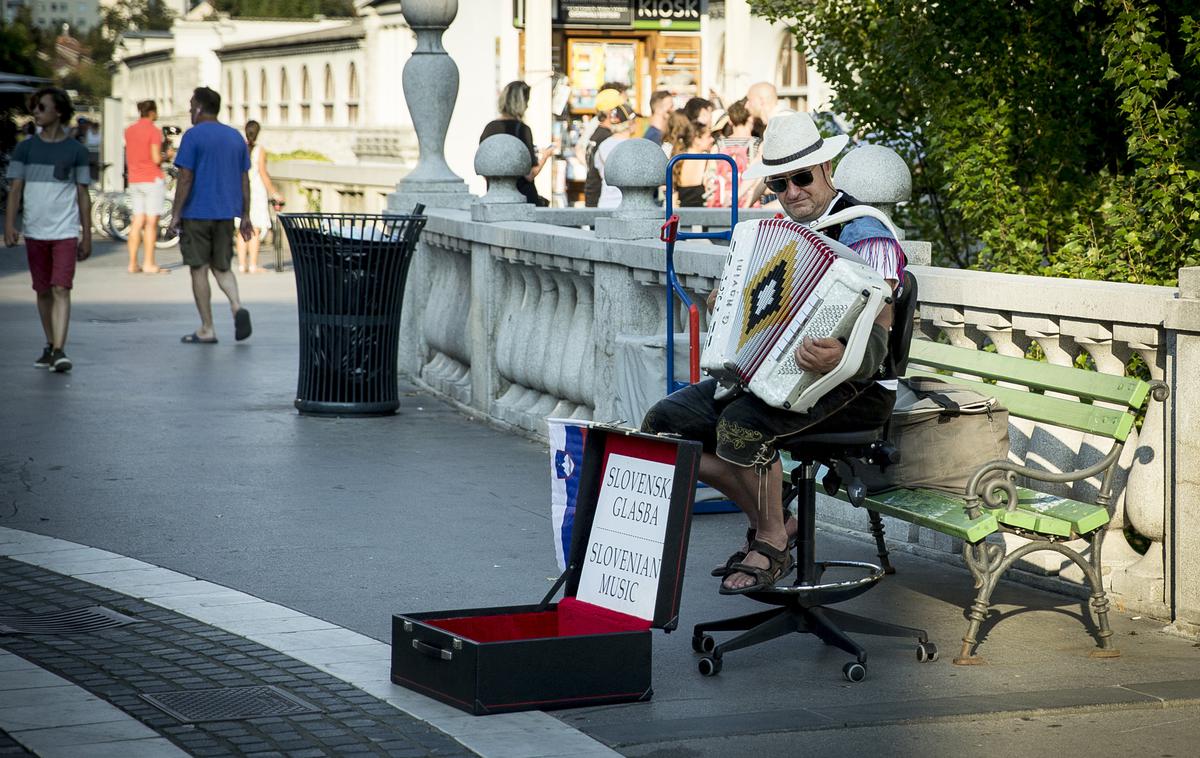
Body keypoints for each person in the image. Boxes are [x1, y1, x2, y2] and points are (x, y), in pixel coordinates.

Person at [640, 112, 905, 594]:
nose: (791, 193)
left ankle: (771, 542)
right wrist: (727, 308)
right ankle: (776, 515)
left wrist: (840, 353)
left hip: (854, 384)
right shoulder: (776, 235)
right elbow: (756, 309)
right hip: (775, 377)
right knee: (664, 424)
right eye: (779, 184)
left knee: (742, 426)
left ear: (828, 168)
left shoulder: (866, 232)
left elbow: (881, 328)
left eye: (801, 178)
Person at [3, 87, 92, 373]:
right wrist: (9, 226)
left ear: (59, 112)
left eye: (42, 107)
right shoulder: (25, 148)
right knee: (42, 290)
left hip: (65, 230)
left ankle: (59, 350)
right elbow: (15, 189)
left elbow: (83, 194)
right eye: (35, 108)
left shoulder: (76, 150)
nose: (36, 113)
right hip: (35, 231)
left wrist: (86, 235)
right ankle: (50, 343)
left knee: (61, 288)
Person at [168, 87, 253, 345]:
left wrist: (175, 214)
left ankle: (207, 328)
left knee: (199, 269)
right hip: (226, 213)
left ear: (199, 108)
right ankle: (237, 306)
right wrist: (246, 214)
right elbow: (244, 179)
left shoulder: (193, 137)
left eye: (191, 104)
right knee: (222, 266)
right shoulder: (235, 137)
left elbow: (185, 178)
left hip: (197, 212)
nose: (189, 110)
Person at [480, 81, 556, 207]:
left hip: (495, 200)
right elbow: (529, 174)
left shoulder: (489, 128)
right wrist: (546, 156)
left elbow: (483, 166)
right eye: (527, 102)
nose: (528, 106)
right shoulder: (522, 129)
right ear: (521, 103)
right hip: (523, 198)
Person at [124, 99, 168, 274]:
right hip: (151, 179)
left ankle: (132, 263)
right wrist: (167, 155)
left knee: (137, 220)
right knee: (151, 222)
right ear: (152, 112)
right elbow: (156, 158)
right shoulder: (154, 131)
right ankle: (149, 263)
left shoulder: (129, 130)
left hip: (134, 178)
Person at [233, 120, 281, 273]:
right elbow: (263, 173)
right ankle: (253, 264)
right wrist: (274, 193)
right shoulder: (260, 150)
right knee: (255, 229)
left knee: (242, 229)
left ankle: (242, 264)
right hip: (256, 191)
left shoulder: (239, 148)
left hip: (240, 189)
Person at [707, 99, 762, 208]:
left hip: (722, 203)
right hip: (749, 203)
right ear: (751, 118)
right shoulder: (758, 145)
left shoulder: (718, 145)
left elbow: (710, 176)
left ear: (730, 121)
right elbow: (759, 178)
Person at [583, 88, 624, 207]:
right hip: (600, 199)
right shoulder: (607, 139)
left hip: (593, 195)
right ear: (611, 112)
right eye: (619, 109)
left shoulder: (597, 133)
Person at [593, 101, 638, 209]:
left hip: (605, 204)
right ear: (630, 123)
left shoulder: (603, 145)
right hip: (627, 206)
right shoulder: (634, 147)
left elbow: (599, 171)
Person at [670, 119, 713, 207]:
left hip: (682, 216)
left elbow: (673, 201)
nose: (712, 139)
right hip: (704, 216)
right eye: (709, 136)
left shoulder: (678, 161)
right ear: (697, 139)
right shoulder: (707, 160)